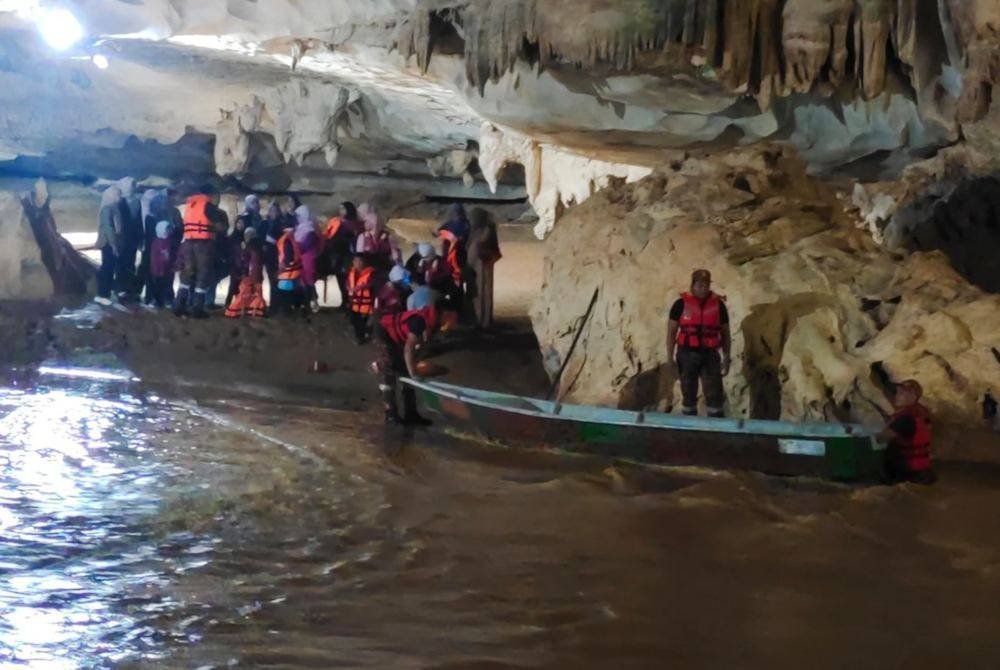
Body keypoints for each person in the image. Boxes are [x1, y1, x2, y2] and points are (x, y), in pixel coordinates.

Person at [666, 269, 732, 418]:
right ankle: (689, 425)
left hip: (710, 355)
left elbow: (726, 335)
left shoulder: (718, 306)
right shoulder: (680, 305)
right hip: (686, 354)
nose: (703, 288)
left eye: (706, 285)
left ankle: (716, 425)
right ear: (693, 285)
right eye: (699, 285)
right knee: (688, 393)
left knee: (714, 394)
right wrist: (670, 358)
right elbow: (671, 333)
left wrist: (727, 357)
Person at [374, 306, 437, 425]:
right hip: (384, 331)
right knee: (388, 370)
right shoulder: (419, 321)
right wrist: (413, 373)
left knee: (406, 372)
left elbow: (417, 348)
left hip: (398, 338)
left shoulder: (432, 323)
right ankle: (391, 414)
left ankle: (411, 413)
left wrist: (412, 367)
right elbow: (409, 349)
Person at [175, 185, 227, 319]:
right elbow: (220, 227)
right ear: (210, 195)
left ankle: (179, 306)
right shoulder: (208, 206)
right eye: (216, 196)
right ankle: (197, 309)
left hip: (188, 243)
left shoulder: (190, 205)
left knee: (187, 274)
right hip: (203, 245)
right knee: (202, 275)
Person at [878, 379, 935, 485]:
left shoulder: (905, 418)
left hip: (906, 473)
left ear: (913, 396)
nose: (897, 395)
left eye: (902, 392)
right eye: (897, 391)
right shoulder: (922, 412)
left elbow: (881, 439)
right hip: (923, 471)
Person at [465, 207, 502, 328]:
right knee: (478, 292)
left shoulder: (485, 231)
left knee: (482, 292)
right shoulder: (479, 231)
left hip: (482, 264)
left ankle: (482, 320)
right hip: (479, 265)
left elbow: (480, 246)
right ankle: (481, 319)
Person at [323, 201, 362, 307]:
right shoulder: (336, 222)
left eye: (343, 209)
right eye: (340, 209)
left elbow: (354, 240)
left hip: (348, 255)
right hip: (337, 255)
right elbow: (328, 235)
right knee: (340, 278)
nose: (341, 211)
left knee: (348, 278)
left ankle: (350, 300)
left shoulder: (353, 224)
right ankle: (344, 300)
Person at [225, 227, 267, 319]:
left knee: (244, 293)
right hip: (257, 275)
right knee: (256, 293)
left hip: (248, 274)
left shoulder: (248, 247)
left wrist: (242, 272)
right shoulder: (260, 246)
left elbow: (245, 261)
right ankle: (256, 309)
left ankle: (237, 310)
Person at [95, 185, 124, 306]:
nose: (120, 197)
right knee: (107, 268)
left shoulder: (114, 207)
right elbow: (108, 228)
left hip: (112, 242)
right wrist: (113, 244)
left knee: (110, 267)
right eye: (118, 194)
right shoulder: (107, 209)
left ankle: (108, 290)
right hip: (107, 243)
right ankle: (102, 294)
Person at [115, 177, 143, 300]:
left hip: (131, 239)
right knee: (122, 263)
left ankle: (127, 288)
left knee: (129, 263)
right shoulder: (119, 203)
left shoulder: (135, 202)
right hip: (123, 239)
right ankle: (121, 288)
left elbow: (138, 221)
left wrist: (140, 237)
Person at [294, 205, 322, 313]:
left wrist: (294, 245)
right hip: (302, 258)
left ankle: (313, 301)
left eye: (299, 216)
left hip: (308, 259)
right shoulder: (300, 228)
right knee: (303, 281)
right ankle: (307, 303)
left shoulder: (310, 230)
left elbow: (305, 245)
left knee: (309, 281)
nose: (298, 218)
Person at [355, 204, 401, 270]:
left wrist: (396, 259)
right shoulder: (362, 238)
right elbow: (360, 258)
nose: (375, 223)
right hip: (371, 269)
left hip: (386, 267)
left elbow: (395, 254)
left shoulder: (386, 236)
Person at [346, 254, 378, 343]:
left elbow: (373, 283)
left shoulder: (371, 273)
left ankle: (365, 335)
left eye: (360, 261)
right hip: (354, 301)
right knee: (354, 320)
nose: (358, 263)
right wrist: (348, 287)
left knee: (365, 321)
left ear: (364, 262)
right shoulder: (351, 272)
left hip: (367, 302)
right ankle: (360, 336)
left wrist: (363, 287)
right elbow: (347, 283)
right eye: (356, 261)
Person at [274, 220, 303, 315]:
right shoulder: (291, 239)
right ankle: (293, 309)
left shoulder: (285, 240)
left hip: (287, 270)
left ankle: (286, 311)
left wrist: (283, 267)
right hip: (294, 269)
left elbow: (287, 255)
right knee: (292, 291)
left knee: (285, 292)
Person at [148, 220, 175, 309]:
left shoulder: (170, 241)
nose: (170, 230)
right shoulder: (156, 242)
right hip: (158, 269)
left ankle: (168, 300)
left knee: (168, 285)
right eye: (168, 229)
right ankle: (157, 300)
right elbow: (155, 258)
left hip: (168, 268)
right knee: (158, 285)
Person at [260, 203, 283, 298]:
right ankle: (274, 302)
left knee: (279, 279)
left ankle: (280, 301)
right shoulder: (265, 223)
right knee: (272, 279)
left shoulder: (281, 223)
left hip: (279, 255)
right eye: (272, 211)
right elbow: (260, 236)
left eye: (276, 211)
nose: (274, 213)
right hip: (269, 255)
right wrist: (264, 244)